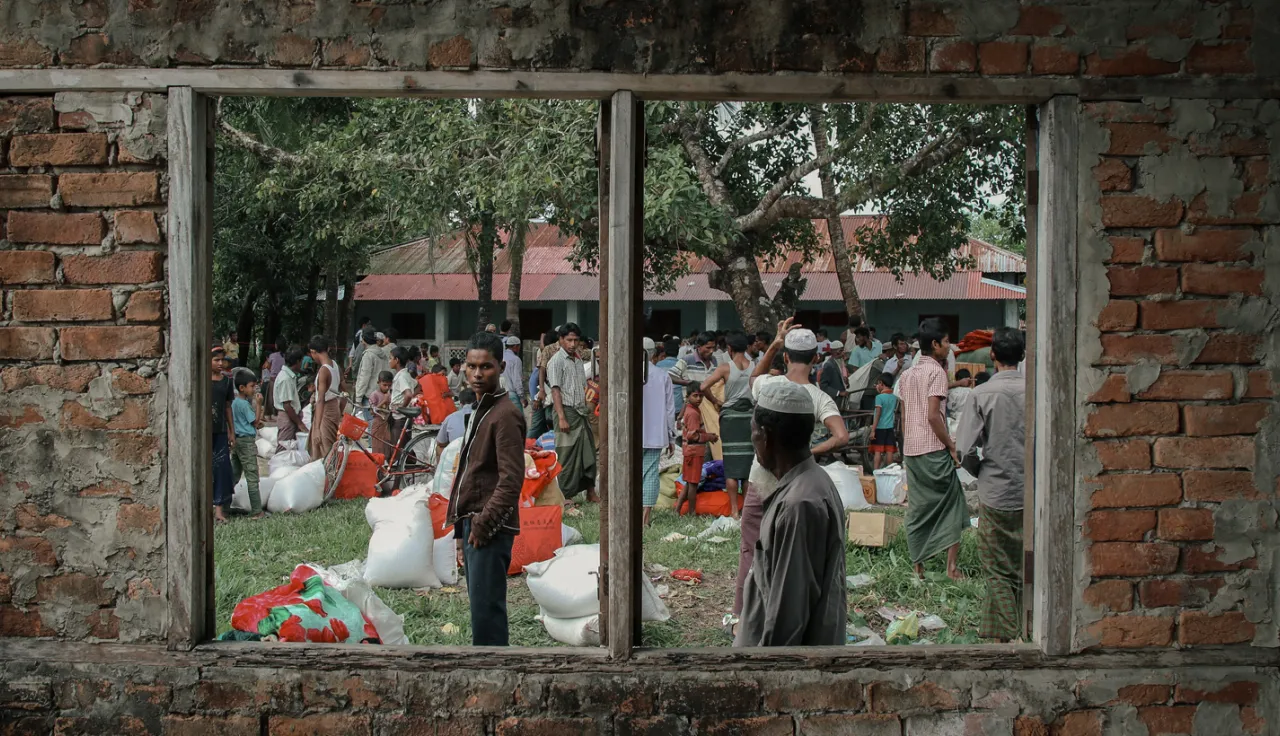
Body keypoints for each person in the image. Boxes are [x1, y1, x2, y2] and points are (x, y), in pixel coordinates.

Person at [732, 319, 849, 623]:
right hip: (797, 484)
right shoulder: (819, 397)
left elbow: (753, 378)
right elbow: (841, 436)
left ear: (785, 356)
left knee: (751, 550)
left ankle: (744, 617)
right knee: (792, 555)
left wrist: (775, 341)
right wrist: (810, 452)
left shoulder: (769, 386)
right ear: (815, 358)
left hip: (762, 482)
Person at [445, 331, 526, 646]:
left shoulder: (505, 415)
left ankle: (494, 670)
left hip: (489, 527)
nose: (477, 374)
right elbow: (470, 471)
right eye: (472, 366)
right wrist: (460, 529)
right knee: (480, 609)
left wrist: (483, 524)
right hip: (473, 522)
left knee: (487, 613)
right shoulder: (482, 408)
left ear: (501, 367)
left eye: (486, 367)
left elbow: (511, 480)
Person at [956, 327, 1027, 642]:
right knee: (1026, 565)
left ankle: (1009, 632)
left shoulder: (981, 394)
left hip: (995, 492)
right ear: (1022, 355)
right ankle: (1018, 631)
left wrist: (980, 471)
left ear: (993, 355)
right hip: (1031, 493)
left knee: (997, 569)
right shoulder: (1036, 391)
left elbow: (964, 450)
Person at [898, 318, 967, 581]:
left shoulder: (907, 375)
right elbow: (933, 415)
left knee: (918, 508)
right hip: (933, 447)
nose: (950, 346)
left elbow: (905, 417)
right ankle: (951, 568)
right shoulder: (936, 373)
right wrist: (950, 445)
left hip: (911, 448)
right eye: (947, 341)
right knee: (953, 503)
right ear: (936, 344)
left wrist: (907, 444)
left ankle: (918, 567)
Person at [699, 332, 754, 518]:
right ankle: (747, 510)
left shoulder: (725, 368)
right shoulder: (755, 366)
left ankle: (734, 511)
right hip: (749, 417)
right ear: (746, 347)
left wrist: (715, 401)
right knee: (747, 468)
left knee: (731, 466)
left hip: (730, 418)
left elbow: (703, 386)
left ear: (729, 349)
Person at [548, 323, 597, 503]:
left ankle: (590, 492)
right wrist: (562, 417)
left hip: (580, 413)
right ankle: (565, 495)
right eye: (569, 340)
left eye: (576, 340)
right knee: (567, 455)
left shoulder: (577, 360)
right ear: (561, 340)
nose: (573, 344)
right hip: (566, 412)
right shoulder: (556, 361)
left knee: (588, 452)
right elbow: (555, 390)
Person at [669, 331, 721, 459]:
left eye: (713, 348)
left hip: (710, 412)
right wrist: (688, 383)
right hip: (693, 411)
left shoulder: (715, 361)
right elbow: (669, 376)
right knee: (697, 446)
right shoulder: (687, 360)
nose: (711, 351)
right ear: (699, 347)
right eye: (708, 348)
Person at [641, 338, 676, 527]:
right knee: (650, 473)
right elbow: (670, 410)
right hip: (655, 434)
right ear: (654, 354)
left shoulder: (625, 373)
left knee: (630, 473)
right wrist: (671, 437)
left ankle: (629, 512)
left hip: (630, 435)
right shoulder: (662, 376)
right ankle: (645, 518)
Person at [676, 386, 716, 516]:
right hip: (693, 452)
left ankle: (677, 509)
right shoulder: (693, 413)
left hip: (691, 452)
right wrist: (708, 437)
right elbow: (692, 436)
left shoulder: (692, 409)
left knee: (689, 482)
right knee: (693, 483)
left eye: (701, 396)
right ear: (688, 397)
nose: (699, 399)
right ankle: (692, 512)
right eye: (695, 395)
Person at [230, 371, 264, 517]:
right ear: (242, 388)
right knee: (252, 476)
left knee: (234, 474)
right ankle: (257, 510)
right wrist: (259, 405)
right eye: (252, 386)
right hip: (247, 442)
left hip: (237, 441)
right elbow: (255, 422)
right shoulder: (244, 404)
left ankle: (224, 507)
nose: (254, 389)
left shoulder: (234, 403)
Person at [307, 336, 344, 462]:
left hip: (325, 410)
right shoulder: (335, 365)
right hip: (334, 407)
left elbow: (320, 400)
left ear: (313, 352)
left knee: (325, 450)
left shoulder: (324, 370)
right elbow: (345, 392)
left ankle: (328, 474)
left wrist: (317, 428)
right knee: (327, 448)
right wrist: (339, 411)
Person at [211, 344, 235, 524]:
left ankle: (219, 510)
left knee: (221, 468)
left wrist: (231, 431)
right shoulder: (200, 379)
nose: (220, 363)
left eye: (222, 360)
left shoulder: (227, 382)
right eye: (216, 360)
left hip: (219, 431)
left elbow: (227, 407)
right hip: (203, 433)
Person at [273, 348, 306, 452]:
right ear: (298, 361)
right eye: (301, 361)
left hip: (290, 415)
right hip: (287, 416)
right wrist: (299, 423)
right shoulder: (285, 379)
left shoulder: (289, 376)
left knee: (290, 448)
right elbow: (287, 405)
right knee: (283, 448)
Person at [353, 329, 385, 421]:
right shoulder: (382, 353)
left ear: (364, 340)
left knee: (370, 423)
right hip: (382, 393)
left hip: (369, 395)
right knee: (378, 423)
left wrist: (358, 398)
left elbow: (364, 377)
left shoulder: (368, 355)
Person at [870, 374, 899, 469]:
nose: (877, 386)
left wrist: (873, 430)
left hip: (879, 428)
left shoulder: (879, 397)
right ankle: (890, 470)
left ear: (881, 383)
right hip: (890, 428)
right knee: (889, 451)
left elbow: (878, 414)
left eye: (878, 384)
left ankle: (875, 471)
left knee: (877, 452)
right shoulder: (894, 397)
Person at [436, 388, 476, 455]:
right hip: (479, 456)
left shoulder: (450, 417)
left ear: (460, 403)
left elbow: (440, 442)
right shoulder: (485, 415)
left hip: (456, 457)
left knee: (439, 448)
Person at [657, 337, 687, 421]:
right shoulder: (682, 365)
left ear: (665, 352)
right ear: (678, 352)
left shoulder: (658, 365)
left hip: (663, 405)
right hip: (678, 406)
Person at [368, 370, 394, 455]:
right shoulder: (374, 395)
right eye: (384, 385)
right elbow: (372, 412)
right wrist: (384, 401)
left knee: (387, 446)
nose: (387, 388)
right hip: (378, 423)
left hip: (387, 423)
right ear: (378, 383)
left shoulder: (391, 394)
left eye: (389, 385)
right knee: (377, 446)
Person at [818, 340, 847, 405]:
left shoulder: (840, 362)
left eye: (843, 350)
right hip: (834, 400)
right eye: (840, 351)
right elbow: (823, 386)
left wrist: (846, 383)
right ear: (833, 351)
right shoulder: (829, 365)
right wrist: (838, 393)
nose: (843, 353)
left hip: (841, 400)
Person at [260, 341, 284, 418]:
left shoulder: (272, 356)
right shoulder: (285, 356)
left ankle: (269, 414)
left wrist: (272, 371)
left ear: (277, 346)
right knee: (281, 397)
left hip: (273, 378)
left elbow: (267, 366)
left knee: (270, 397)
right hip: (282, 378)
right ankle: (278, 413)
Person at [502, 335, 527, 409]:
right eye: (519, 346)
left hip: (500, 395)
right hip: (511, 395)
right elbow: (517, 380)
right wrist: (522, 397)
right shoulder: (516, 360)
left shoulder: (501, 357)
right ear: (516, 346)